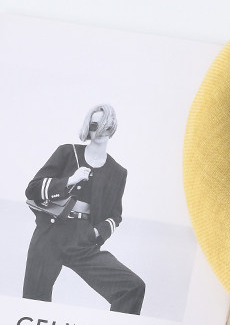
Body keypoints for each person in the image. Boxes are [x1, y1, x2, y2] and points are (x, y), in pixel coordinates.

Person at [23, 104, 145, 314]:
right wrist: (69, 180)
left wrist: (96, 233)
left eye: (106, 125)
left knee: (132, 287)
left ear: (112, 129)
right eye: (94, 125)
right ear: (88, 127)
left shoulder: (118, 172)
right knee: (33, 306)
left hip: (82, 238)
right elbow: (32, 189)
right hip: (49, 234)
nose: (100, 130)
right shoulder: (66, 152)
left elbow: (115, 215)